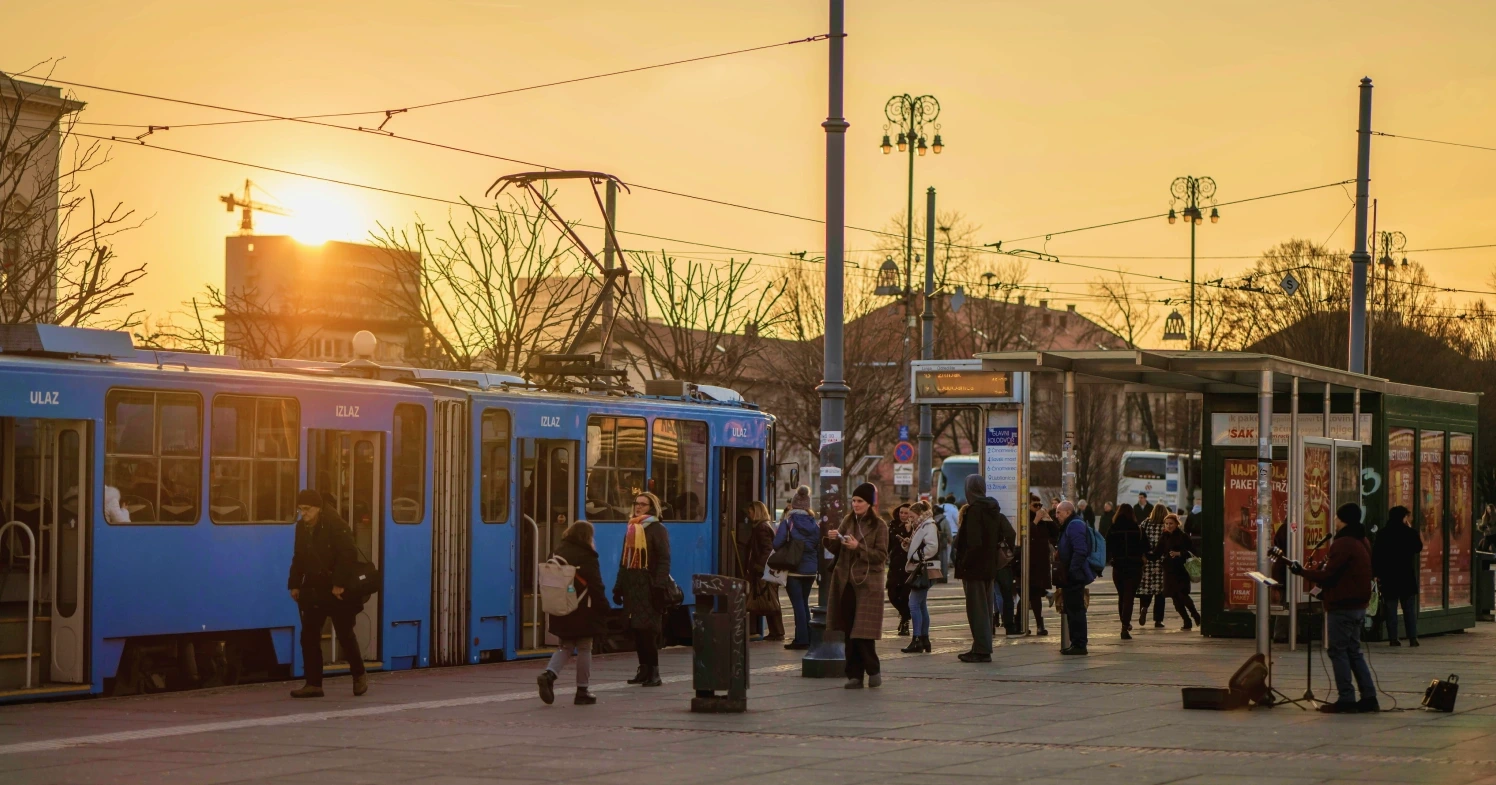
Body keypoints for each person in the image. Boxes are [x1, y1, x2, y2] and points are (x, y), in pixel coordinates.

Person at [1290, 503, 1379, 714]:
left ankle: (1346, 698)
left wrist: (1302, 572)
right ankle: (1369, 697)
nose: (1335, 522)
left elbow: (1329, 574)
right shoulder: (1362, 540)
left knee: (1338, 650)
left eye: (1337, 518)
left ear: (1343, 520)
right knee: (1354, 651)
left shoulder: (1343, 543)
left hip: (1343, 605)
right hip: (1358, 605)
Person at [287, 489, 367, 698]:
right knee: (309, 636)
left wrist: (339, 583)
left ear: (318, 508)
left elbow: (348, 553)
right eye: (300, 509)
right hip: (314, 588)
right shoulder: (301, 528)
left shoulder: (336, 526)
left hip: (336, 590)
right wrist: (295, 584)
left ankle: (359, 675)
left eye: (307, 509)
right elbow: (299, 557)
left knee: (344, 634)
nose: (303, 513)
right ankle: (314, 684)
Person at [825, 482, 889, 689]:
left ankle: (873, 670)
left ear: (870, 503)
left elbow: (881, 556)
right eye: (853, 501)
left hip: (868, 584)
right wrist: (831, 538)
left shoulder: (880, 526)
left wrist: (858, 547)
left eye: (860, 501)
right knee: (849, 629)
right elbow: (836, 550)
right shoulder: (848, 520)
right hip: (846, 582)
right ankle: (854, 675)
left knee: (863, 632)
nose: (855, 504)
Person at [537, 520, 607, 706]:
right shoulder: (587, 556)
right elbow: (596, 585)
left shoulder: (557, 551)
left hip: (561, 606)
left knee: (565, 646)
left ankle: (549, 674)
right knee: (585, 647)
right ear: (587, 536)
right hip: (582, 608)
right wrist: (605, 608)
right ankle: (582, 691)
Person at [613, 492, 670, 687]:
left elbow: (664, 559)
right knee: (636, 629)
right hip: (632, 585)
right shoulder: (632, 527)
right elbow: (625, 560)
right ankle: (643, 670)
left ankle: (654, 672)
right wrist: (618, 586)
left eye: (643, 505)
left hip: (649, 585)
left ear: (651, 508)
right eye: (636, 503)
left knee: (648, 631)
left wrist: (659, 585)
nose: (638, 507)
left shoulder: (657, 528)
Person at [954, 475, 1003, 663]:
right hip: (989, 566)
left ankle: (982, 650)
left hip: (974, 568)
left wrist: (965, 562)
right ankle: (981, 646)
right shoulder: (992, 509)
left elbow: (972, 543)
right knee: (986, 608)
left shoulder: (974, 511)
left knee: (976, 610)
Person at [774, 486, 821, 650]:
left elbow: (776, 543)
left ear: (793, 506)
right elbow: (818, 546)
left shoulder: (788, 522)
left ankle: (801, 639)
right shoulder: (815, 525)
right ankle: (808, 636)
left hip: (794, 568)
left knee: (798, 604)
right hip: (810, 570)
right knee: (804, 602)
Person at [1372, 505, 1422, 647]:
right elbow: (1418, 547)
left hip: (1389, 577)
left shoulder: (1383, 533)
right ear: (1403, 517)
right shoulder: (1410, 532)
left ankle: (1393, 638)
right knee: (1409, 609)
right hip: (1406, 575)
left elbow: (1376, 555)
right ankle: (1412, 638)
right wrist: (1410, 528)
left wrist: (1376, 573)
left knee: (1391, 609)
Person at [1054, 500, 1094, 655]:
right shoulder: (1070, 525)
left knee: (1076, 609)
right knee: (1071, 609)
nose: (1056, 515)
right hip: (1071, 573)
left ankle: (1079, 644)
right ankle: (1076, 643)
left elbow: (1080, 550)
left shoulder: (1074, 525)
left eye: (1059, 512)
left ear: (1068, 512)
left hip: (1074, 575)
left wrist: (1072, 570)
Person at [1149, 513, 1201, 630]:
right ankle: (1186, 620)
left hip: (1181, 570)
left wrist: (1180, 553)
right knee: (1175, 598)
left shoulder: (1183, 536)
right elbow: (1157, 553)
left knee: (1183, 595)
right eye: (1166, 524)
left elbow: (1194, 552)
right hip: (1169, 570)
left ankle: (1196, 615)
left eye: (1171, 523)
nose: (1168, 526)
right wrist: (1145, 555)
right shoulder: (1164, 536)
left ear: (1177, 524)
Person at [744, 500, 785, 642]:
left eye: (750, 512)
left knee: (770, 599)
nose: (749, 516)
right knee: (769, 599)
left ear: (756, 512)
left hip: (764, 570)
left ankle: (777, 632)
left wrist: (759, 567)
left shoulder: (761, 528)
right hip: (766, 569)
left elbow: (767, 549)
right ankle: (776, 632)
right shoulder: (765, 526)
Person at [902, 501, 939, 654]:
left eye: (912, 516)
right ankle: (924, 639)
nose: (910, 519)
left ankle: (917, 639)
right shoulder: (922, 525)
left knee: (913, 604)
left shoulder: (928, 525)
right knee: (921, 605)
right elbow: (922, 544)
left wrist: (916, 555)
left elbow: (931, 546)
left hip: (924, 569)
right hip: (923, 569)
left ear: (919, 514)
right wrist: (908, 545)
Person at [1105, 504, 1146, 640]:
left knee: (1122, 596)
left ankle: (1124, 623)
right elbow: (1146, 547)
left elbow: (1107, 547)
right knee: (1129, 597)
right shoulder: (1138, 529)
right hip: (1134, 567)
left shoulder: (1113, 529)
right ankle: (1124, 626)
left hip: (1119, 566)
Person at [1021, 501, 1056, 636]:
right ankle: (1021, 623)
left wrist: (1048, 517)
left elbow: (1055, 532)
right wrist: (1035, 519)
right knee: (1024, 593)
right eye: (1035, 505)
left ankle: (1039, 625)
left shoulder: (1043, 521)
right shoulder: (1026, 519)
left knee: (1034, 594)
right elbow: (1027, 535)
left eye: (1040, 505)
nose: (1038, 508)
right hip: (1026, 562)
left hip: (1040, 563)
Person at [1137, 504, 1167, 628]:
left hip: (1147, 561)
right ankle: (1158, 620)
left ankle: (1144, 607)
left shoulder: (1145, 523)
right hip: (1161, 562)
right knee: (1160, 592)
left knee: (1146, 589)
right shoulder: (1166, 525)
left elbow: (1140, 539)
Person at [887, 503, 914, 637]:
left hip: (908, 566)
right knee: (892, 595)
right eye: (901, 513)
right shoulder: (892, 526)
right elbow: (888, 544)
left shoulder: (914, 527)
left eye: (906, 513)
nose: (903, 515)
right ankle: (906, 615)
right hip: (894, 564)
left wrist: (909, 531)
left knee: (904, 596)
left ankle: (905, 622)